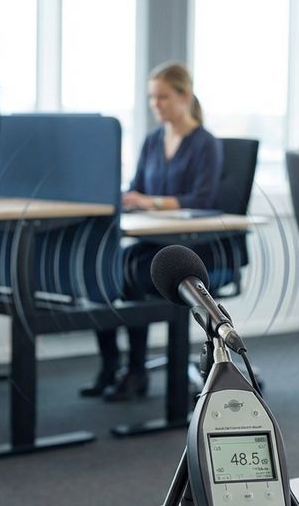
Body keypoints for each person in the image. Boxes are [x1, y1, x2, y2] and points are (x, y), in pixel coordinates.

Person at [81, 62, 223, 402]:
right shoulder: (151, 141)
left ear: (184, 95)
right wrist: (127, 199)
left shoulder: (205, 143)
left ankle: (136, 371)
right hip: (152, 242)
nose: (155, 105)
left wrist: (151, 202)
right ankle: (111, 365)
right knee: (106, 268)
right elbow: (137, 188)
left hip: (191, 250)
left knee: (132, 272)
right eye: (151, 98)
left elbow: (202, 199)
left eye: (162, 97)